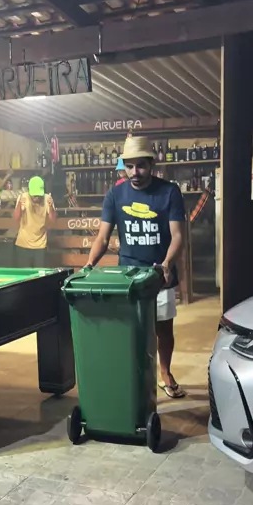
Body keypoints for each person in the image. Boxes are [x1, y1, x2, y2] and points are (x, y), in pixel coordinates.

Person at [86, 135, 186, 399]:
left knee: (163, 330)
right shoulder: (115, 194)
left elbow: (178, 235)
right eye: (129, 166)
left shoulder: (169, 192)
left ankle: (165, 373)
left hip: (160, 275)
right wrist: (89, 264)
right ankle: (134, 376)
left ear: (151, 164)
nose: (134, 172)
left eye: (140, 165)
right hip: (128, 277)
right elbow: (103, 238)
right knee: (131, 330)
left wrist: (166, 264)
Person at [14, 175, 56, 268]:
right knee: (24, 275)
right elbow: (16, 218)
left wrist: (51, 207)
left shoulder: (47, 199)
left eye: (38, 195)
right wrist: (19, 206)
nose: (36, 197)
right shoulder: (23, 198)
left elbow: (53, 220)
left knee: (40, 274)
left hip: (40, 245)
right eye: (34, 195)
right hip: (23, 244)